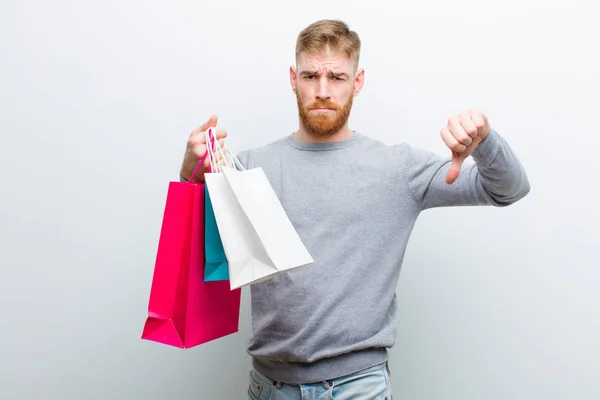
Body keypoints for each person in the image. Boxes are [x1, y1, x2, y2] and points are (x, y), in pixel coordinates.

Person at [180, 19, 530, 400]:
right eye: (311, 76)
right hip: (269, 387)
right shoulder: (247, 167)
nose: (323, 90)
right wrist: (190, 174)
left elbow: (508, 190)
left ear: (358, 81)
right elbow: (195, 253)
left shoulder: (398, 168)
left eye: (338, 78)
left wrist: (484, 139)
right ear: (293, 78)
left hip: (357, 388)